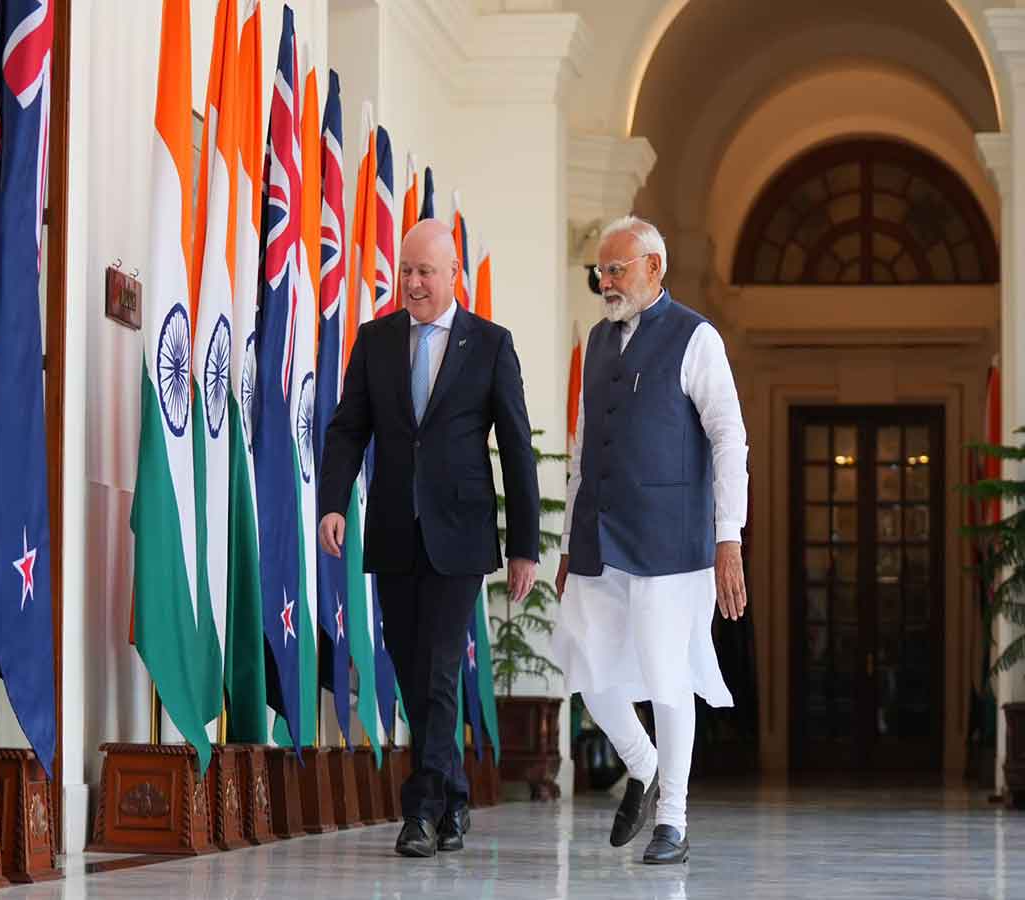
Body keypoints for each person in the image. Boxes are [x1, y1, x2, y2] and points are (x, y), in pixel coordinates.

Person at [319, 219, 540, 858]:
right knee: (413, 669)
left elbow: (517, 448)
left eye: (425, 272)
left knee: (441, 666)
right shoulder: (375, 340)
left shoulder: (490, 345)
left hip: (460, 534)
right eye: (406, 270)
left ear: (453, 277)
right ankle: (454, 795)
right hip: (392, 530)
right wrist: (334, 503)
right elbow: (346, 429)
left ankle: (419, 810)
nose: (412, 283)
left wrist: (524, 544)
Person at [552, 215, 749, 865]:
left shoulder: (697, 338)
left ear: (654, 267)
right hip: (597, 539)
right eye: (600, 272)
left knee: (668, 678)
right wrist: (565, 543)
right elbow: (582, 449)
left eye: (617, 269)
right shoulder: (600, 343)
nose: (606, 282)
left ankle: (674, 820)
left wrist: (729, 540)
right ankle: (643, 763)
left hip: (672, 543)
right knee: (588, 667)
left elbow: (728, 439)